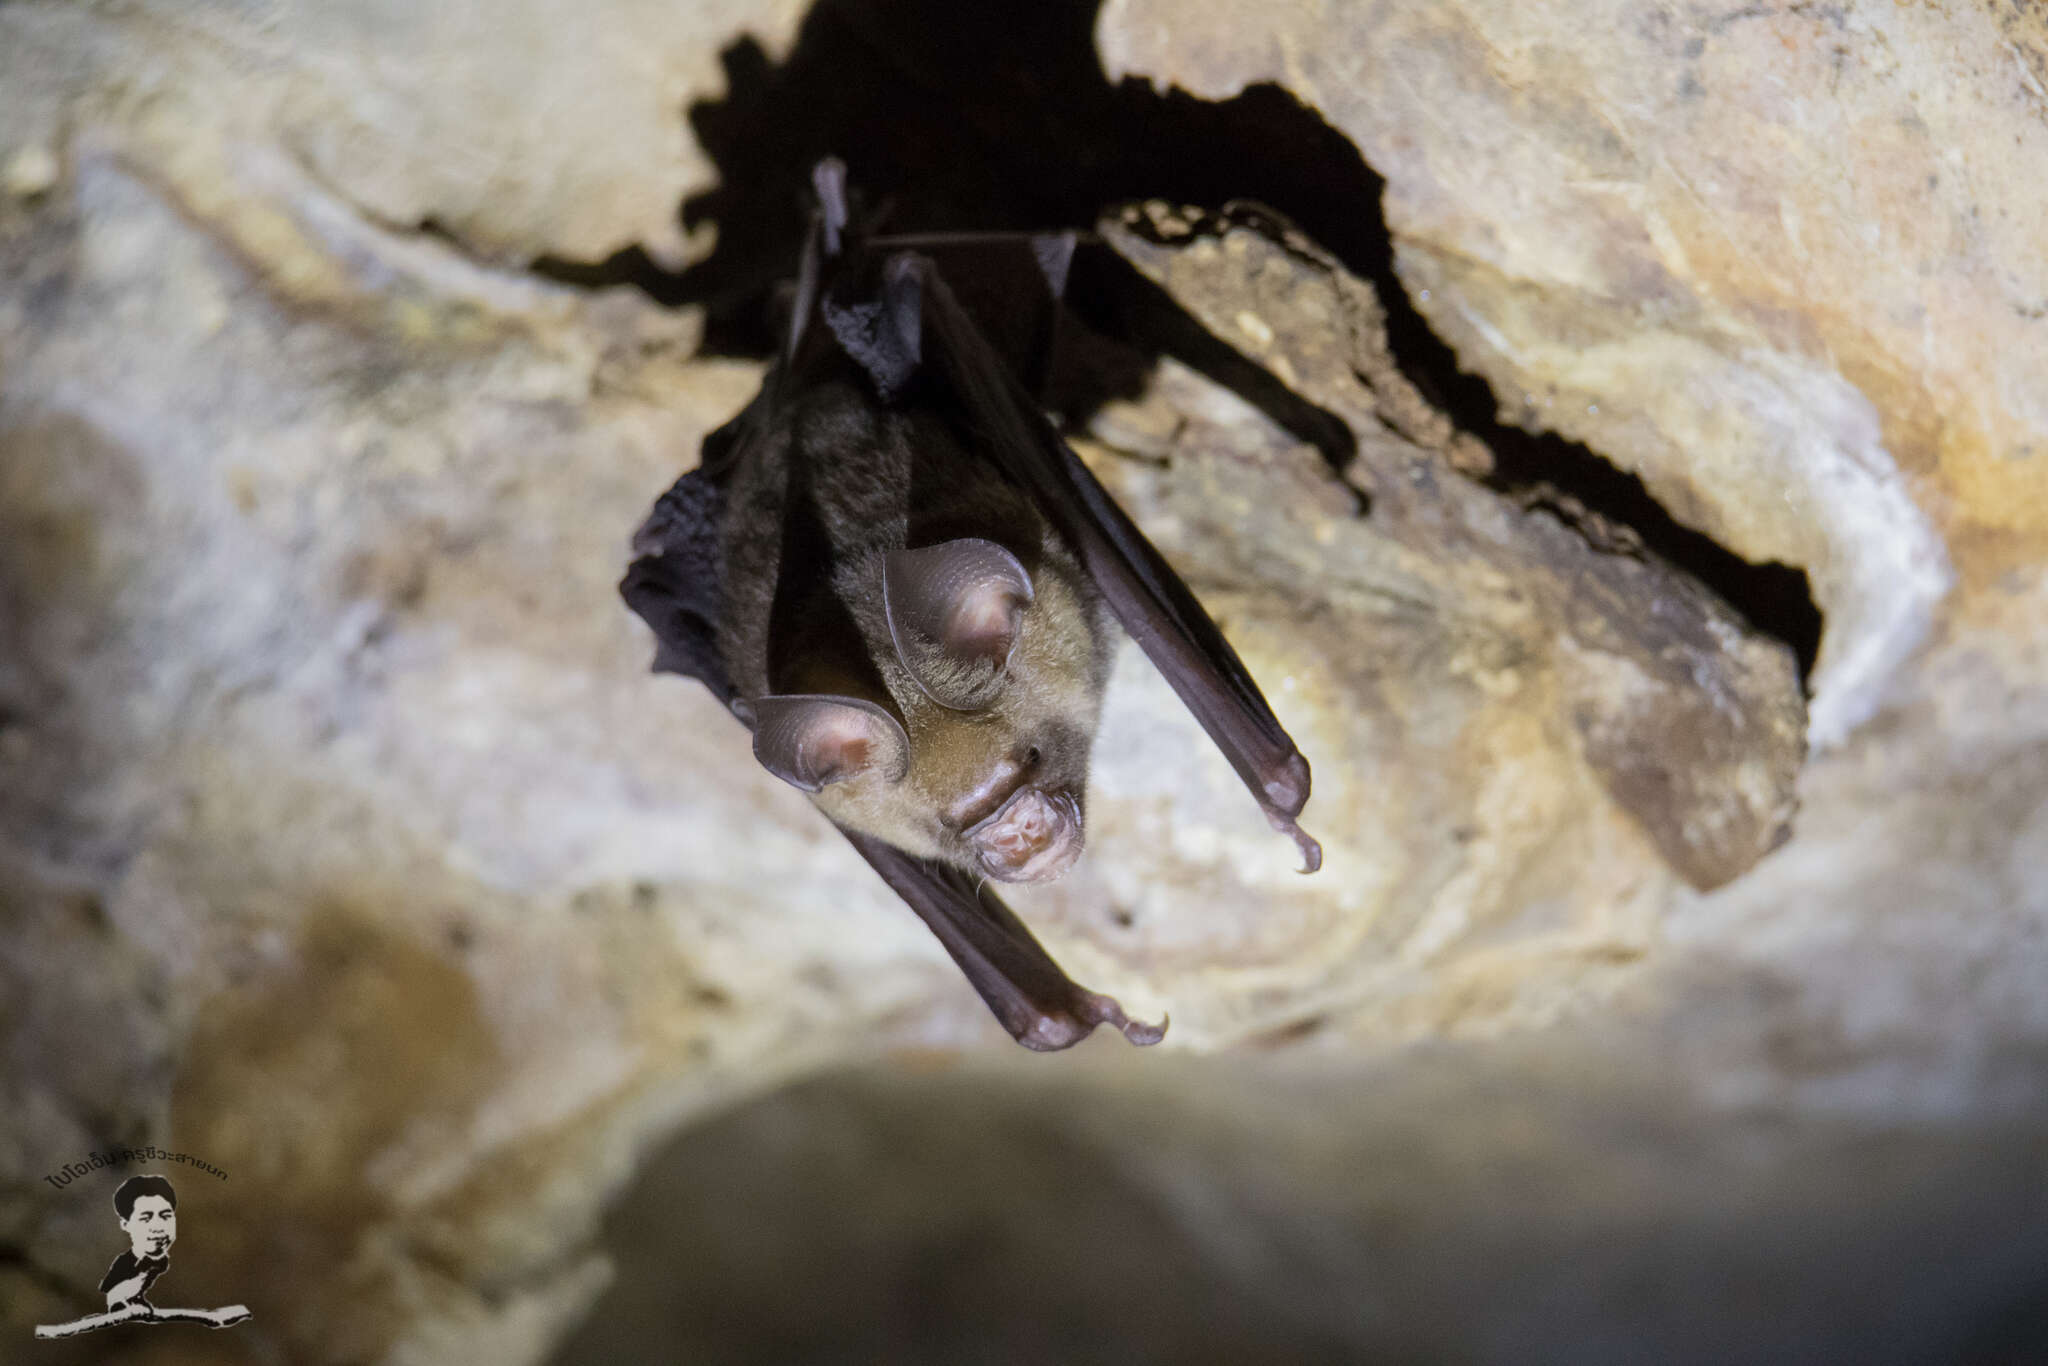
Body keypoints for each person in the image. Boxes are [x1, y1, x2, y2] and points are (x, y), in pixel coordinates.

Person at [98, 1174, 177, 1312]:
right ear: (126, 1224)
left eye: (166, 1216)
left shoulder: (165, 1260)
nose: (158, 1227)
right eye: (146, 1218)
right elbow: (107, 1288)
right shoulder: (124, 1261)